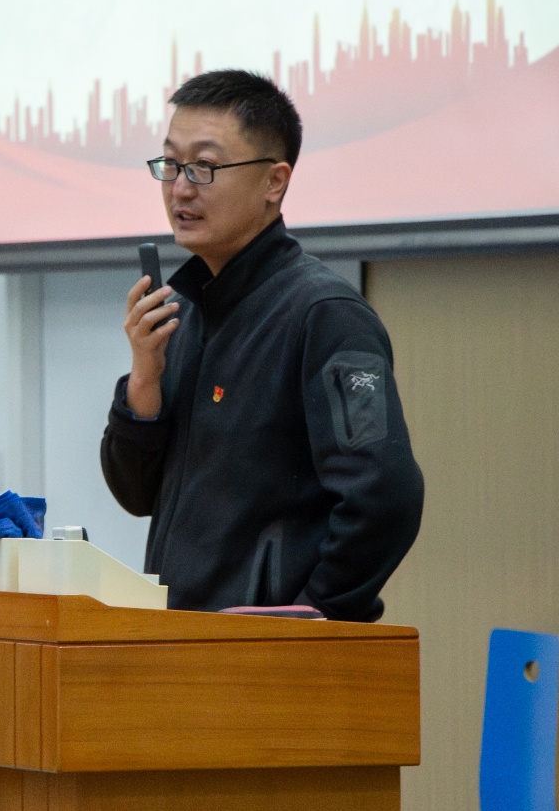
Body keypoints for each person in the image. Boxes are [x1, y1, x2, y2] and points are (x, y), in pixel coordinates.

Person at [100, 69, 423, 622]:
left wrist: (308, 617)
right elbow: (136, 495)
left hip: (273, 656)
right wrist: (144, 381)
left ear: (274, 181)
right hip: (185, 639)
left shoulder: (325, 315)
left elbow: (385, 497)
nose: (180, 188)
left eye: (204, 167)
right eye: (171, 164)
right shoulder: (184, 310)